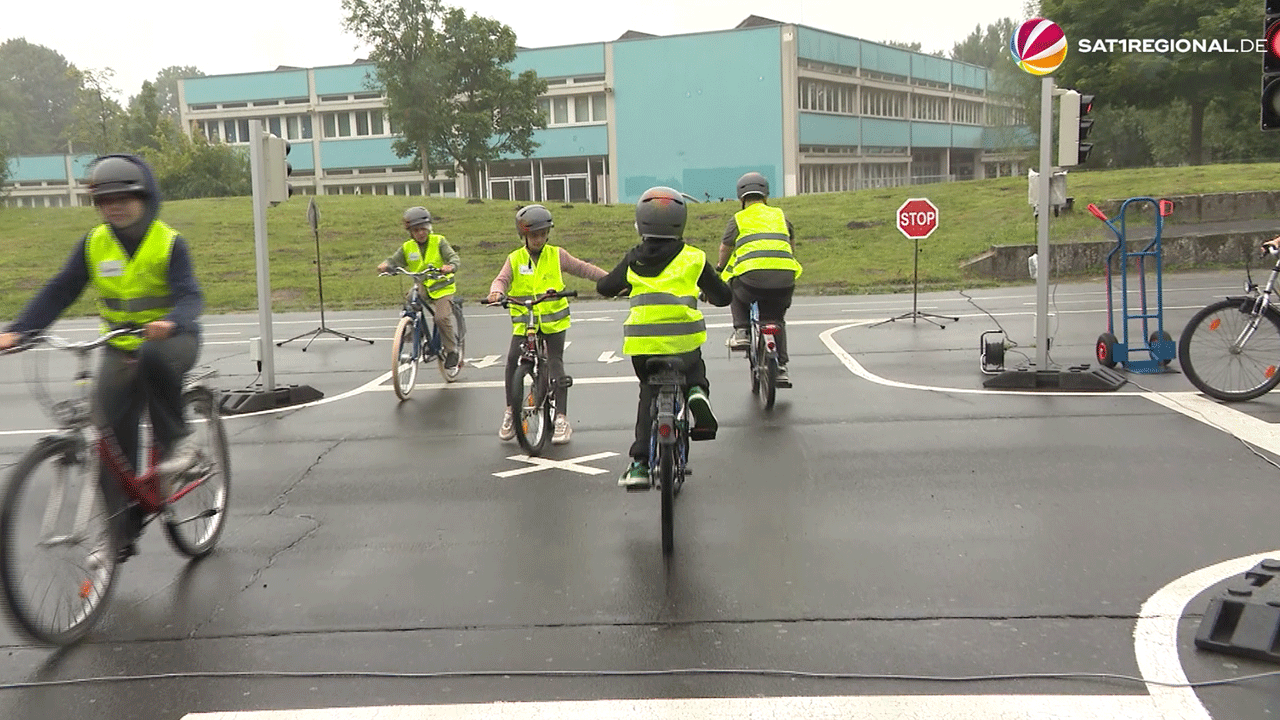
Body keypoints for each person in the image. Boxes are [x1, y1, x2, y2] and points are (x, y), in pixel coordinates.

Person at [0, 153, 204, 563]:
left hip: (172, 341)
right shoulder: (94, 243)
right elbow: (62, 288)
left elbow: (190, 295)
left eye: (124, 196)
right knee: (110, 434)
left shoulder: (168, 242)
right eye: (104, 199)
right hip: (118, 346)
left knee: (152, 358)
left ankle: (182, 442)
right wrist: (21, 330)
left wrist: (173, 321)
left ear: (144, 198)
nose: (114, 205)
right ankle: (121, 530)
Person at [597, 186, 732, 488]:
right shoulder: (694, 258)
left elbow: (604, 287)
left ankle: (639, 464)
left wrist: (622, 286)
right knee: (694, 369)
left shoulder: (634, 260)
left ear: (640, 223)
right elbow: (724, 296)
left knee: (648, 392)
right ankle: (697, 392)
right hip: (683, 344)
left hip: (643, 348)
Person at [487, 204, 607, 445]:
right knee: (512, 360)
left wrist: (609, 280)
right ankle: (511, 410)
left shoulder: (557, 255)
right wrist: (496, 292)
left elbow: (583, 269)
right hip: (525, 323)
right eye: (533, 235)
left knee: (555, 364)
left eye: (542, 234)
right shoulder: (515, 258)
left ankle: (561, 418)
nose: (538, 239)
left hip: (553, 323)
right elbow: (502, 280)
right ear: (524, 236)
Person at [718, 171, 802, 386]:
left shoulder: (738, 218)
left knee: (734, 284)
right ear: (765, 195)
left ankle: (742, 330)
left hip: (751, 280)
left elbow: (725, 248)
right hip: (784, 278)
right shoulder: (781, 216)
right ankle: (781, 367)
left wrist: (720, 267)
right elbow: (791, 246)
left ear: (741, 198)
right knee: (776, 320)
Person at [377, 206, 462, 379]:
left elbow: (454, 258)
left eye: (423, 229)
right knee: (410, 298)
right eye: (416, 230)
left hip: (443, 287)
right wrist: (386, 265)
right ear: (410, 232)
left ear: (429, 228)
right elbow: (394, 261)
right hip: (423, 285)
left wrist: (450, 266)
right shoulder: (407, 247)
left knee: (440, 318)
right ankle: (415, 328)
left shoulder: (439, 241)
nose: (420, 233)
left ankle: (452, 351)